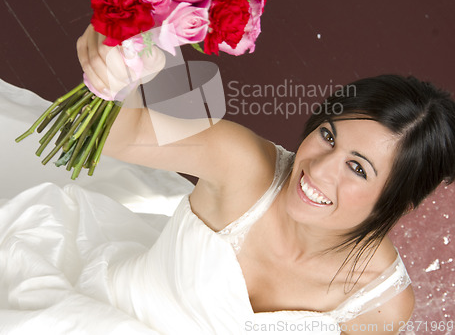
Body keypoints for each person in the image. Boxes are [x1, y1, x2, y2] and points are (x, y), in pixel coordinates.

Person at [73, 24, 455, 334]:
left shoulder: (381, 304)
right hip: (93, 317)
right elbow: (122, 136)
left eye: (357, 168)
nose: (318, 170)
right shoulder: (243, 165)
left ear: (399, 202)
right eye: (327, 135)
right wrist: (116, 69)